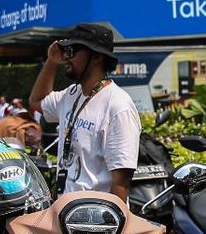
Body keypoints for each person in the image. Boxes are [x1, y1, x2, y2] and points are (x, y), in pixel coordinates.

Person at [28, 22, 140, 199]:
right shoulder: (71, 95)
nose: (66, 57)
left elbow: (121, 181)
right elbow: (36, 101)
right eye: (66, 51)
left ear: (96, 57)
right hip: (65, 212)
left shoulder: (118, 105)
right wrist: (50, 62)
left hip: (94, 218)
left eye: (72, 51)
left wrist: (107, 223)